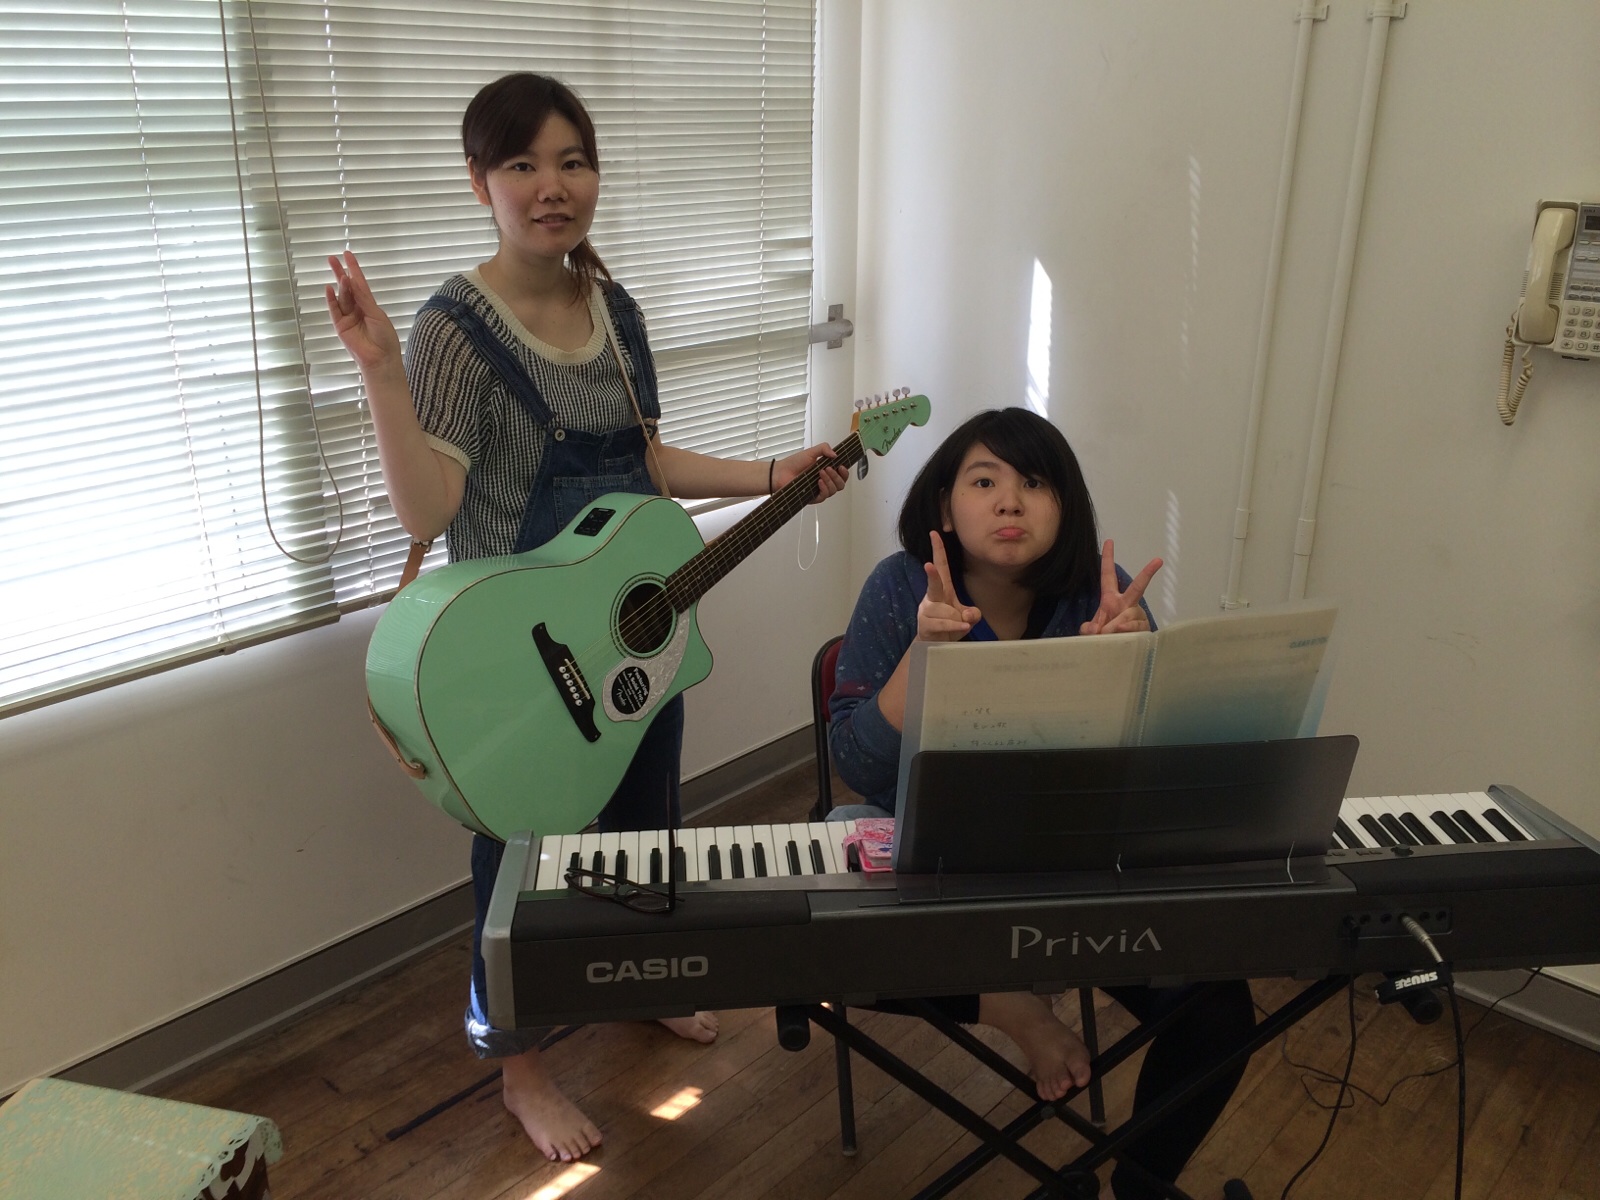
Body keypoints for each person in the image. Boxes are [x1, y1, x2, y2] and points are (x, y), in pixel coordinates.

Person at [325, 72, 847, 1163]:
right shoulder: (452, 330)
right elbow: (430, 509)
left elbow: (644, 463)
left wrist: (773, 473)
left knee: (645, 822)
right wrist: (381, 374)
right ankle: (520, 1064)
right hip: (512, 655)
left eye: (571, 161)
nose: (550, 186)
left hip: (631, 630)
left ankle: (640, 982)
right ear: (480, 182)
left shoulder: (618, 314)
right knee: (520, 861)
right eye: (521, 164)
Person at [827, 407, 1255, 1200]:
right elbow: (856, 764)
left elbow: (1154, 781)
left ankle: (1142, 1182)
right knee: (825, 905)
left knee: (1220, 1011)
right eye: (983, 481)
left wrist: (1134, 673)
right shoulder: (898, 588)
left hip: (1073, 871)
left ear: (1065, 505)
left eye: (1033, 482)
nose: (1009, 501)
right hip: (932, 867)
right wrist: (923, 655)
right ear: (944, 502)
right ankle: (1012, 1009)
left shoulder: (1100, 598)